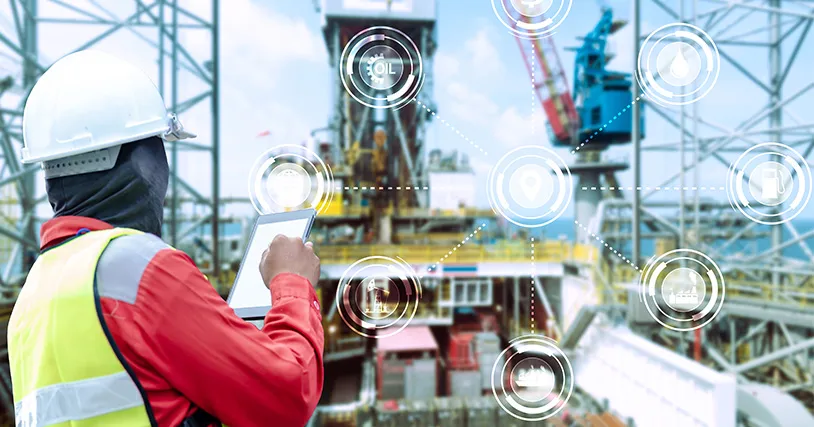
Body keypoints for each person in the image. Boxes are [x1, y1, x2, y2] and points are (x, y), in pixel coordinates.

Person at [7, 50, 324, 427]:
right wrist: (293, 283)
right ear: (144, 163)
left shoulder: (33, 296)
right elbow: (286, 395)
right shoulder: (137, 268)